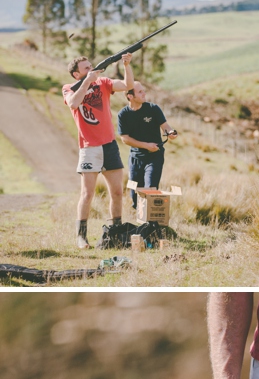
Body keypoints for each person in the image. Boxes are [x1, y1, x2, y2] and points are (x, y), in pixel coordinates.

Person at [62, 52, 134, 249]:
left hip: (109, 145)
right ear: (76, 74)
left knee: (118, 192)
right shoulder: (69, 88)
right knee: (87, 194)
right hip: (89, 147)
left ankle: (116, 234)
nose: (91, 69)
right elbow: (74, 103)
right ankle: (81, 237)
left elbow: (128, 86)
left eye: (91, 66)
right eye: (86, 68)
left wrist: (126, 65)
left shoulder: (102, 82)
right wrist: (87, 81)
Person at [117, 81, 177, 210]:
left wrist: (171, 133)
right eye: (140, 92)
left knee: (150, 190)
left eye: (143, 90)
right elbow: (125, 139)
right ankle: (140, 218)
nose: (144, 93)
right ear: (130, 96)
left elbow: (165, 126)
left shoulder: (153, 109)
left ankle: (151, 224)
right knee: (134, 193)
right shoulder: (123, 114)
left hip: (154, 156)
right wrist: (145, 145)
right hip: (135, 159)